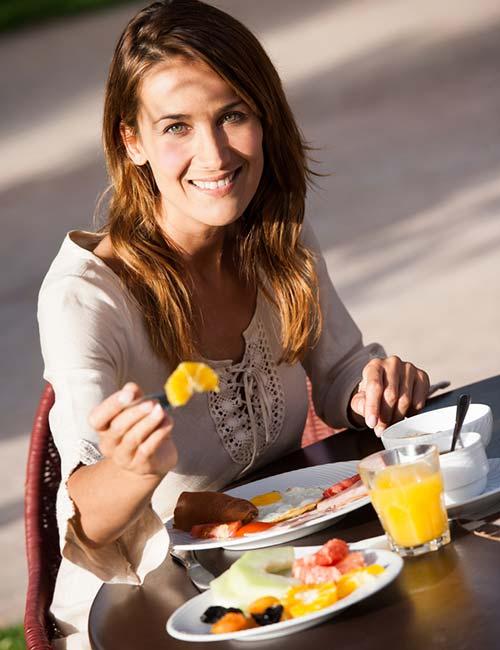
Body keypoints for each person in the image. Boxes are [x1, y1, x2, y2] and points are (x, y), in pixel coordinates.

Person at [37, 1, 429, 647]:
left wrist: (376, 386)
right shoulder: (86, 296)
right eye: (176, 127)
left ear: (265, 119)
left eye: (232, 116)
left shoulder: (279, 238)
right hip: (150, 607)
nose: (213, 154)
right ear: (130, 139)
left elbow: (339, 371)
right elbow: (88, 520)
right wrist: (132, 470)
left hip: (291, 567)